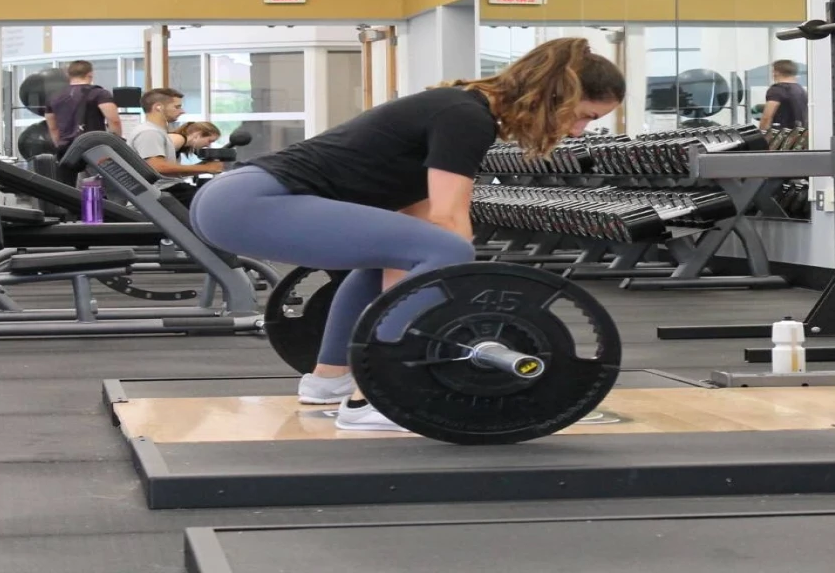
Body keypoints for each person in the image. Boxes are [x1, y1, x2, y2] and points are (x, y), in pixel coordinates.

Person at [190, 37, 625, 433]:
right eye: (583, 116)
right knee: (447, 247)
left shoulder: (462, 110)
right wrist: (470, 305)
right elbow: (450, 223)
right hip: (252, 201)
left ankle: (331, 379)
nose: (577, 132)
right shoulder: (465, 116)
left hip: (233, 200)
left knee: (403, 253)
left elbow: (416, 226)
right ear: (557, 94)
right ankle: (380, 392)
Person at [126, 88, 224, 208]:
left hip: (171, 188)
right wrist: (206, 168)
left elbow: (167, 170)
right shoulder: (149, 132)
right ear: (158, 107)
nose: (182, 111)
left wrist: (203, 168)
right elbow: (157, 167)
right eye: (177, 107)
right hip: (162, 191)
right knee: (218, 203)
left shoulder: (158, 132)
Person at [44, 60, 121, 157]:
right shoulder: (100, 94)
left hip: (66, 151)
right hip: (95, 149)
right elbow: (114, 121)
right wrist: (117, 145)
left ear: (68, 75)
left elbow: (53, 128)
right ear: (90, 74)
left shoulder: (54, 97)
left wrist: (60, 145)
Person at [759, 59, 807, 132]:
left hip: (781, 135)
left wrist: (762, 133)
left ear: (776, 72)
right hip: (799, 134)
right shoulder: (801, 90)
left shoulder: (776, 90)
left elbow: (766, 118)